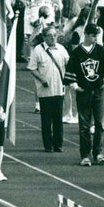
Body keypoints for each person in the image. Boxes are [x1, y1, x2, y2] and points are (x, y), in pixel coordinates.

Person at [64, 23, 104, 166]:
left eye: (96, 35)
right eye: (93, 35)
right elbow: (70, 70)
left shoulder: (100, 50)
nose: (95, 38)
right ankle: (85, 154)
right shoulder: (76, 53)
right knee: (84, 125)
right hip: (84, 92)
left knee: (100, 124)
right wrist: (74, 85)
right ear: (85, 34)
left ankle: (98, 152)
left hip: (98, 91)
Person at [28, 25, 70, 153]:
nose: (53, 38)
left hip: (58, 89)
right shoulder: (38, 50)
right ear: (44, 37)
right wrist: (41, 79)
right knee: (46, 119)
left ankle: (58, 144)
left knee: (58, 118)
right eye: (50, 35)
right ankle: (48, 145)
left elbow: (69, 64)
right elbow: (32, 68)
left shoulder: (62, 49)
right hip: (45, 90)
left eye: (55, 35)